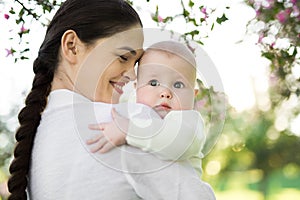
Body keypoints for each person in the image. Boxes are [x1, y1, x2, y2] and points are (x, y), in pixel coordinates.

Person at [7, 0, 215, 199]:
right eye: (124, 57)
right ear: (72, 46)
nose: (133, 76)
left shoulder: (32, 142)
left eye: (135, 63)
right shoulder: (129, 122)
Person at [87, 41, 206, 176]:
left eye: (178, 85)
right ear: (136, 88)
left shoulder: (189, 121)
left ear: (193, 95)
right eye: (153, 83)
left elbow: (177, 141)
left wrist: (129, 130)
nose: (165, 93)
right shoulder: (133, 111)